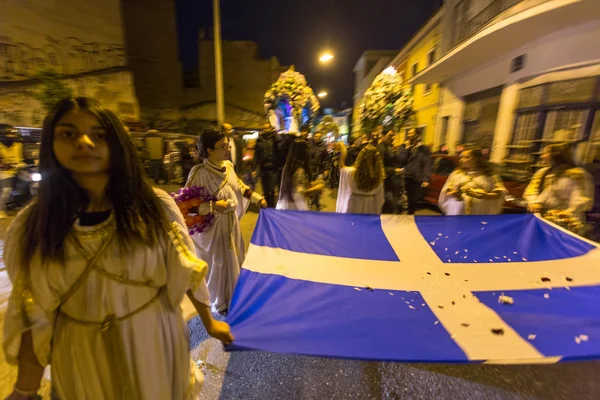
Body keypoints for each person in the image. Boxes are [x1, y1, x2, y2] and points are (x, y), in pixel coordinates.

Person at [2, 97, 233, 400]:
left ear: (117, 144)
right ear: (51, 144)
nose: (84, 142)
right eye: (68, 133)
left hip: (156, 349)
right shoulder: (35, 224)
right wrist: (24, 389)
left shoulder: (154, 207)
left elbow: (185, 269)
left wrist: (210, 322)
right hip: (81, 363)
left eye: (98, 135)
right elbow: (34, 312)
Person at [186, 127, 267, 314]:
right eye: (222, 146)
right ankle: (219, 302)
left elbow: (239, 185)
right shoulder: (199, 173)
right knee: (219, 263)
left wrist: (256, 198)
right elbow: (187, 206)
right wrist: (214, 206)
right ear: (209, 150)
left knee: (234, 258)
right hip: (213, 229)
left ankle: (234, 296)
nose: (227, 149)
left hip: (231, 225)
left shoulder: (228, 166)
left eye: (227, 145)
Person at [524, 143, 594, 221]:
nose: (542, 156)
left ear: (556, 155)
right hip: (543, 218)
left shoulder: (578, 175)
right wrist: (534, 202)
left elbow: (581, 200)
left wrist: (562, 214)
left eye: (545, 153)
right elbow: (532, 191)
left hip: (567, 220)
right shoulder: (543, 173)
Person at [438, 147, 507, 215]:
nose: (461, 160)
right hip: (459, 212)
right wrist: (453, 193)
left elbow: (499, 194)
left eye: (467, 157)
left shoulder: (491, 175)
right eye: (461, 157)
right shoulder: (456, 174)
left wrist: (484, 195)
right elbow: (447, 190)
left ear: (477, 159)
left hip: (480, 213)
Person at [336, 142, 385, 214]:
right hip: (370, 207)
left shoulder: (351, 173)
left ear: (360, 158)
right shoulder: (379, 178)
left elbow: (341, 167)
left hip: (354, 206)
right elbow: (380, 199)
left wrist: (343, 151)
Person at [277, 139, 325, 211]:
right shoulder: (299, 169)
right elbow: (297, 194)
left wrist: (315, 183)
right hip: (294, 209)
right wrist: (316, 188)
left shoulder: (289, 166)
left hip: (284, 205)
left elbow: (296, 184)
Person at [397, 129, 432, 215]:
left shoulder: (423, 148)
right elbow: (400, 160)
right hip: (406, 176)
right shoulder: (403, 146)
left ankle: (410, 216)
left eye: (411, 133)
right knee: (403, 199)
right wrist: (407, 148)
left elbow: (426, 163)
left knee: (414, 200)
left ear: (417, 135)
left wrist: (426, 179)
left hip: (417, 177)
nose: (409, 135)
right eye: (408, 133)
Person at [0, 125, 24, 219]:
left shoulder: (19, 145)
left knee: (37, 180)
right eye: (10, 134)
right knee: (6, 190)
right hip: (4, 171)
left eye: (14, 133)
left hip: (19, 169)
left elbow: (26, 157)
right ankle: (1, 209)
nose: (13, 135)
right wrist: (3, 164)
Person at [254, 122, 280, 207]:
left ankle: (272, 206)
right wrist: (254, 168)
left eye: (267, 128)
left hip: (273, 168)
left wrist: (275, 133)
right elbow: (256, 155)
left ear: (271, 129)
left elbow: (280, 144)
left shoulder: (274, 138)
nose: (265, 130)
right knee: (265, 189)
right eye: (264, 128)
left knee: (272, 189)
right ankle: (267, 205)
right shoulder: (259, 140)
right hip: (263, 168)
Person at [378, 130, 404, 214]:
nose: (392, 137)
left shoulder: (389, 147)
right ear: (383, 136)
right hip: (385, 181)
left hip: (392, 181)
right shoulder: (381, 148)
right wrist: (394, 170)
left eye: (393, 135)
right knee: (387, 206)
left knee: (392, 205)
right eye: (390, 135)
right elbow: (380, 167)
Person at [308, 131, 330, 210]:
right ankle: (310, 201)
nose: (317, 138)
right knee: (310, 185)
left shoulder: (323, 147)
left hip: (319, 169)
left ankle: (316, 202)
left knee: (318, 186)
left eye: (319, 136)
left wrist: (326, 169)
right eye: (316, 136)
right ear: (314, 136)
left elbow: (327, 158)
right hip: (309, 169)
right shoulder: (309, 144)